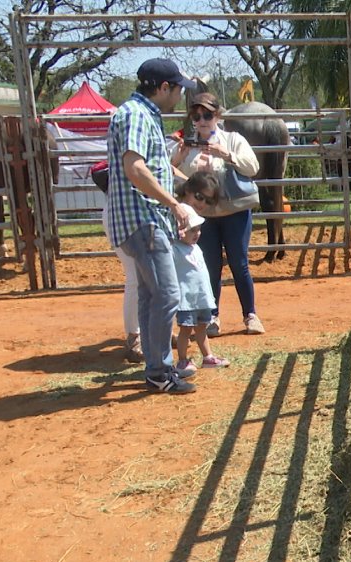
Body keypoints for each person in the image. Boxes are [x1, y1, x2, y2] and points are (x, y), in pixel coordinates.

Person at [106, 57, 197, 394]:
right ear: (163, 88)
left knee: (150, 295)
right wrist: (173, 203)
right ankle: (159, 371)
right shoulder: (137, 115)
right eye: (176, 89)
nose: (178, 96)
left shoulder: (139, 113)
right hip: (142, 218)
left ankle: (156, 367)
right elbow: (136, 168)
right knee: (167, 295)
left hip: (139, 219)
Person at [171, 91, 265, 337]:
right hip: (204, 216)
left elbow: (252, 167)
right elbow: (171, 176)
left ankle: (250, 315)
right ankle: (212, 316)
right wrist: (179, 159)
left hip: (234, 211)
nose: (202, 120)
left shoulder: (233, 139)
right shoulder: (186, 147)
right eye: (196, 115)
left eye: (207, 115)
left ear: (217, 115)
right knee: (210, 266)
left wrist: (226, 155)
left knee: (239, 263)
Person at [173, 172, 231, 372]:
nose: (196, 234)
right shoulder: (175, 248)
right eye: (192, 230)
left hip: (201, 297)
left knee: (201, 329)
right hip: (187, 299)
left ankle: (208, 357)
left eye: (198, 230)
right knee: (185, 330)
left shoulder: (196, 247)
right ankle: (182, 360)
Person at [92, 160, 142, 364]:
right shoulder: (121, 157)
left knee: (155, 278)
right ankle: (134, 336)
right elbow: (99, 172)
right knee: (135, 278)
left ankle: (153, 330)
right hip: (122, 214)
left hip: (141, 213)